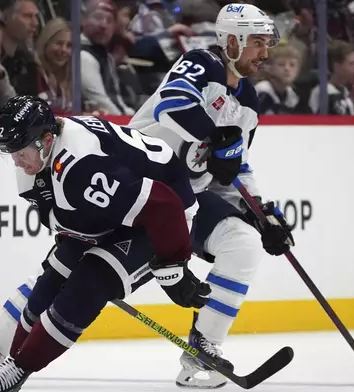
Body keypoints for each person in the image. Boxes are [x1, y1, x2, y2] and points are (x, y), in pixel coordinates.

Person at [0, 96, 209, 392]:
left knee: (90, 285)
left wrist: (173, 270)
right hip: (116, 214)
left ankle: (19, 367)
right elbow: (70, 220)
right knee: (52, 277)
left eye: (20, 151)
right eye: (9, 153)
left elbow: (165, 207)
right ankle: (15, 362)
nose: (16, 160)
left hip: (164, 221)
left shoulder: (79, 167)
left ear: (46, 139)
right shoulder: (44, 160)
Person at [128, 3, 294, 388]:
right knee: (71, 279)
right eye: (256, 42)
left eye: (267, 43)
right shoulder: (201, 64)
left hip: (185, 202)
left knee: (244, 244)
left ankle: (201, 353)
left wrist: (263, 214)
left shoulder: (248, 102)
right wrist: (215, 137)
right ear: (231, 41)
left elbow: (235, 166)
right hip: (136, 193)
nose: (265, 52)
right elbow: (173, 106)